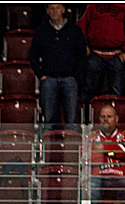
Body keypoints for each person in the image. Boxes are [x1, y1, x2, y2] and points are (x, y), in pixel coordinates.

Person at [29, 4, 88, 132]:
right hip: (49, 80)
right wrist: (41, 75)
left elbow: (82, 56)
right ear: (47, 11)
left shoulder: (75, 30)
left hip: (70, 80)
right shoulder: (41, 31)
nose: (54, 11)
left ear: (63, 9)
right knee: (48, 121)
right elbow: (33, 56)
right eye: (51, 8)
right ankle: (46, 151)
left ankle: (72, 151)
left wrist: (75, 76)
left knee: (71, 122)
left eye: (57, 8)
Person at [78, 3, 125, 104]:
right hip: (95, 53)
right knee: (88, 89)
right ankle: (85, 116)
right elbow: (82, 25)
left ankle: (115, 116)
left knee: (116, 91)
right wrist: (84, 44)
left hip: (117, 55)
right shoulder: (90, 5)